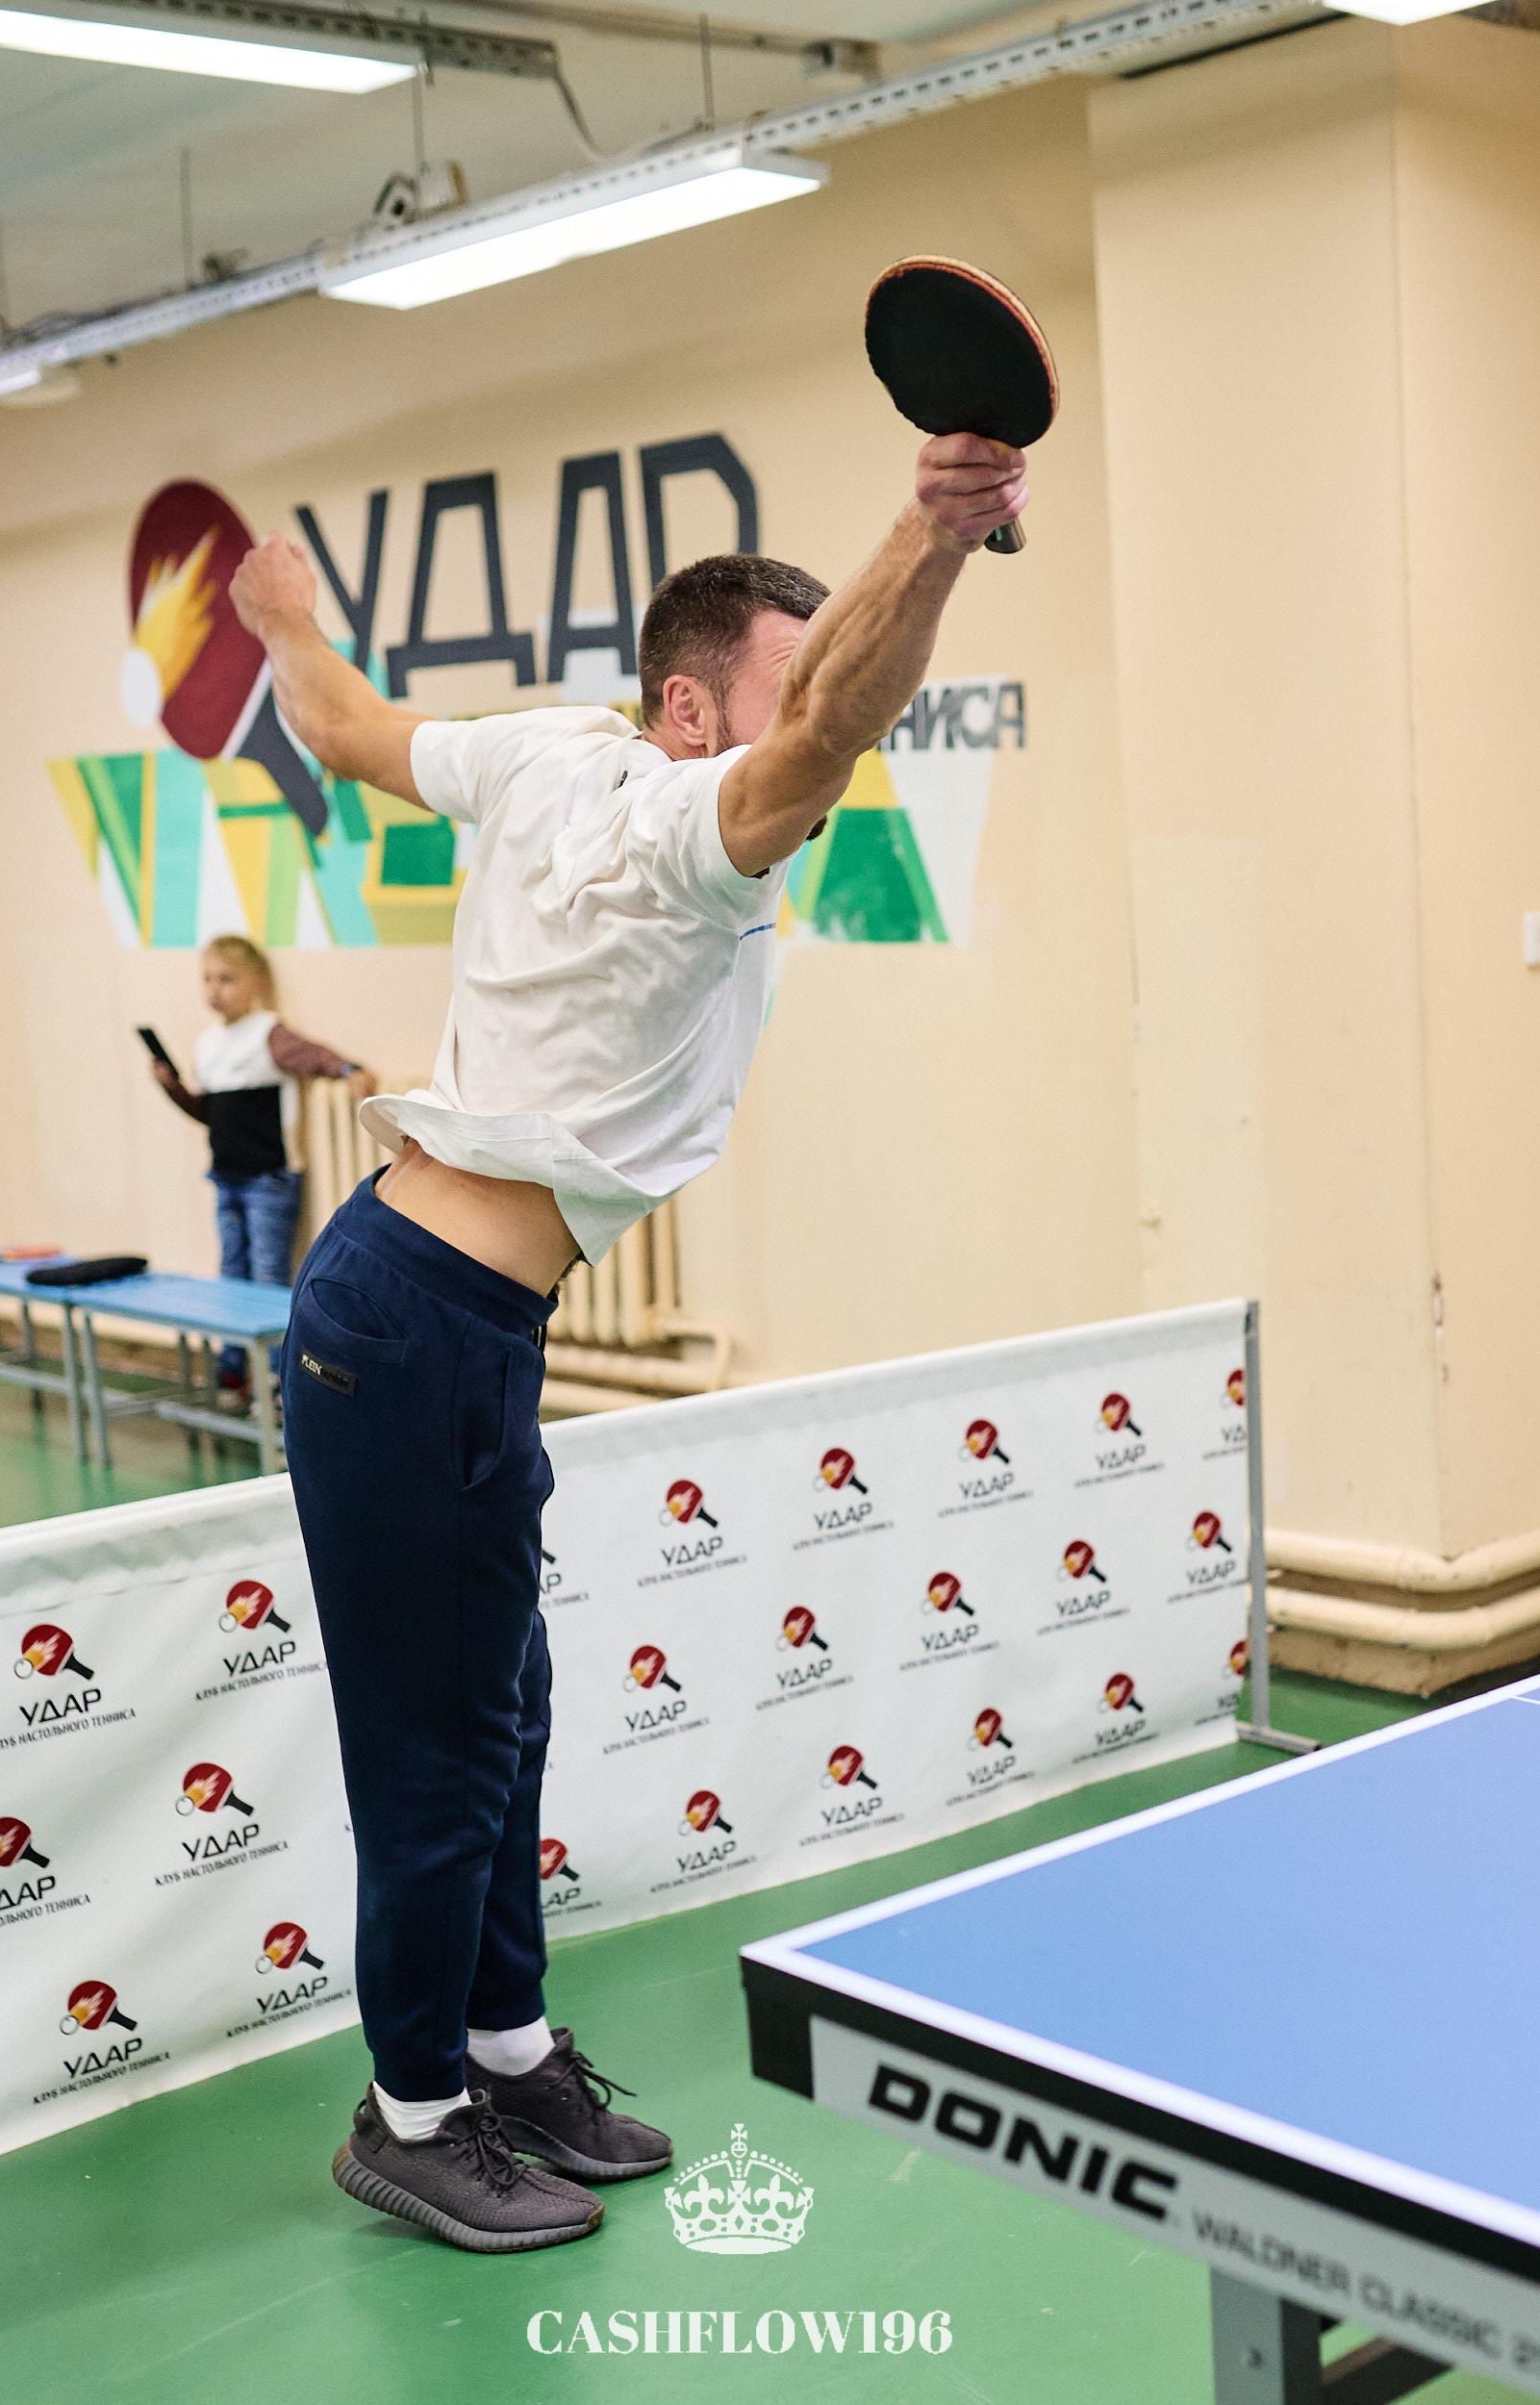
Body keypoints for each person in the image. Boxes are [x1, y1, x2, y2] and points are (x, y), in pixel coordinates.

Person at [227, 429, 1029, 2255]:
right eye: (775, 686)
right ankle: (409, 2115)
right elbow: (824, 732)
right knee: (436, 1754)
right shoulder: (687, 827)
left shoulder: (542, 753)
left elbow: (343, 725)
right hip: (412, 1334)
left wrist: (282, 619)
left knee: (505, 1710)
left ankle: (506, 2052)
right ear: (686, 707)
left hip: (437, 1317)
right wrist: (935, 527)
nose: (808, 721)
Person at [150, 933, 377, 1393]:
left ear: (257, 983)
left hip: (267, 1178)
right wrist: (172, 1088)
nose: (215, 989)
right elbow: (208, 1113)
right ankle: (235, 1367)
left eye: (227, 979)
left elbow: (313, 1056)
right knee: (231, 1272)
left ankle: (276, 1375)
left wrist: (349, 1070)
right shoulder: (208, 1043)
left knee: (268, 1274)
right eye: (208, 979)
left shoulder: (268, 1033)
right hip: (225, 1175)